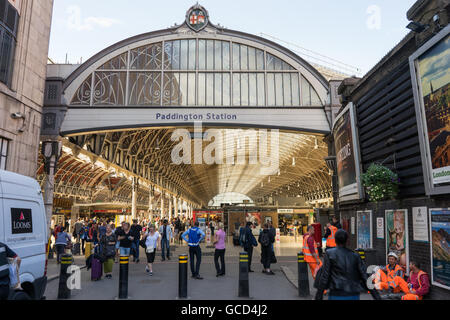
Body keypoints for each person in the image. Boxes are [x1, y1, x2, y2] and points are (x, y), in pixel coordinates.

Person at [315, 229, 381, 300]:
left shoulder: (329, 254)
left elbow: (325, 276)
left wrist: (319, 295)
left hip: (336, 294)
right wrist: (376, 296)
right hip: (353, 294)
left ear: (335, 240)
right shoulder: (355, 256)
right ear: (347, 241)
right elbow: (365, 277)